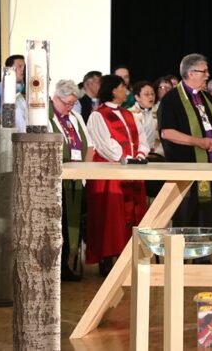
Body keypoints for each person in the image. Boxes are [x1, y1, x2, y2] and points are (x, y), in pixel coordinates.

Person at [86, 74, 149, 275]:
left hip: (132, 170)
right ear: (113, 90)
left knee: (133, 216)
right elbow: (105, 146)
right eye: (123, 87)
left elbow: (143, 140)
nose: (126, 91)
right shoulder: (98, 115)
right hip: (111, 174)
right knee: (110, 218)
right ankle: (108, 258)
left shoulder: (130, 114)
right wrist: (127, 158)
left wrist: (139, 155)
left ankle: (130, 257)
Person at [158, 53, 212, 227]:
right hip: (185, 170)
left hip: (210, 168)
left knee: (206, 220)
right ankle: (182, 254)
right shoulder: (171, 99)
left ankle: (202, 254)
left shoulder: (207, 97)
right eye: (204, 71)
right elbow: (167, 133)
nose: (207, 75)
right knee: (185, 219)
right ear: (191, 73)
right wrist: (198, 142)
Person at [48, 79, 95, 281]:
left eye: (72, 104)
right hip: (55, 182)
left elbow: (90, 147)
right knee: (57, 224)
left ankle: (67, 263)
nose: (69, 107)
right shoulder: (45, 119)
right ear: (54, 98)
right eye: (66, 103)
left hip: (76, 181)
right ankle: (53, 266)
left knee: (71, 224)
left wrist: (82, 173)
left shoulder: (75, 118)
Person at [129, 80, 162, 157]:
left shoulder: (160, 111)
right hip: (137, 154)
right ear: (137, 97)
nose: (151, 97)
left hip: (158, 154)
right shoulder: (129, 114)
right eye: (146, 94)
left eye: (152, 94)